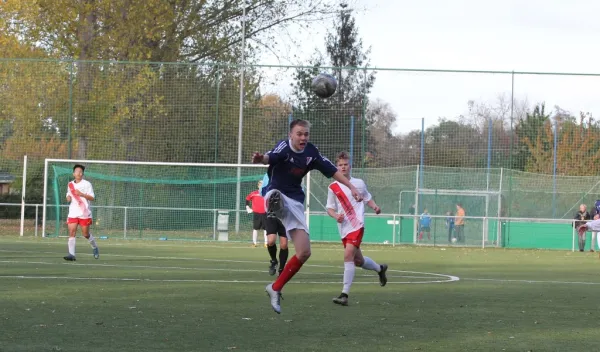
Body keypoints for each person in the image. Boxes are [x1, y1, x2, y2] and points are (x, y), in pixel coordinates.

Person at [252, 119, 362, 314]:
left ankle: (275, 288)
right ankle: (273, 204)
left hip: (295, 202)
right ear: (291, 135)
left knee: (304, 252)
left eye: (306, 134)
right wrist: (261, 159)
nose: (303, 137)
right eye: (299, 134)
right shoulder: (284, 147)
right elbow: (271, 157)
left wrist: (352, 187)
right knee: (275, 195)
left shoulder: (312, 153)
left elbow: (333, 171)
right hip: (276, 192)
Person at [325, 151, 388, 306]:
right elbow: (329, 208)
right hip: (344, 228)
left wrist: (375, 207)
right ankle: (380, 269)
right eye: (340, 165)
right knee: (358, 260)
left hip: (357, 225)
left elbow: (367, 198)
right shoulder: (333, 186)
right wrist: (335, 216)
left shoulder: (358, 183)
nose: (343, 167)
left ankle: (344, 295)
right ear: (336, 167)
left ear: (350, 166)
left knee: (348, 256)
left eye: (345, 164)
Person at [64, 164, 99, 261]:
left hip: (84, 212)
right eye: (77, 171)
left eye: (81, 171)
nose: (79, 173)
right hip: (73, 212)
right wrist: (68, 197)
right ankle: (71, 254)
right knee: (71, 232)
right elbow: (68, 194)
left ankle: (94, 247)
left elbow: (92, 198)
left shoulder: (87, 184)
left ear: (82, 173)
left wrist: (82, 194)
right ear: (73, 173)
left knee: (85, 234)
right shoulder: (70, 184)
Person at [245, 180, 267, 247]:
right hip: (256, 213)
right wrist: (247, 207)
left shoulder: (267, 193)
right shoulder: (254, 193)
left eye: (263, 184)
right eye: (260, 184)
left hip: (265, 213)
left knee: (266, 229)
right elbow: (247, 199)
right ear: (258, 185)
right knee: (255, 228)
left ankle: (266, 243)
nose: (261, 185)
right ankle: (254, 243)